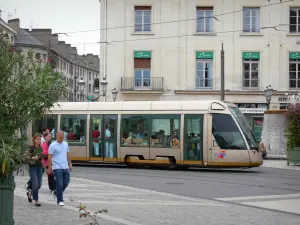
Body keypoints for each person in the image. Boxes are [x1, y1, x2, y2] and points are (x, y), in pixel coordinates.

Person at [48, 130, 72, 206]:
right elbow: (49, 157)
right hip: (57, 167)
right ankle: (60, 200)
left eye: (62, 138)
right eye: (60, 138)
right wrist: (50, 167)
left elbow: (67, 154)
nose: (61, 139)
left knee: (66, 182)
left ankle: (56, 192)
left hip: (65, 166)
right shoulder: (53, 145)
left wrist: (70, 163)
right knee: (60, 184)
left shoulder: (66, 144)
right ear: (56, 136)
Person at [25, 134, 45, 207]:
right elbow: (26, 157)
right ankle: (36, 200)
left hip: (39, 168)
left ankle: (30, 193)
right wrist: (33, 157)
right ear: (34, 140)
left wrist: (46, 168)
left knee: (39, 184)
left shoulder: (41, 148)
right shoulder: (31, 148)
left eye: (40, 139)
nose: (39, 141)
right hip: (32, 167)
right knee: (35, 184)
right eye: (38, 139)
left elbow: (42, 159)